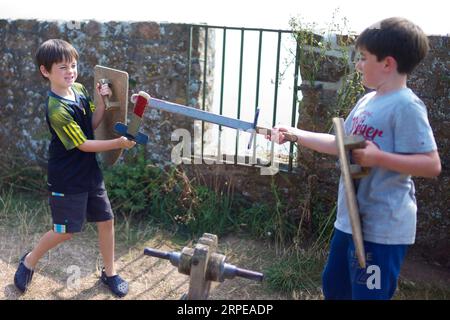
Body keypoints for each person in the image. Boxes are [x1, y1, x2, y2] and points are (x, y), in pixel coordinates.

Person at [268, 17, 441, 299]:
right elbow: (341, 144)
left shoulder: (407, 106)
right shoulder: (367, 102)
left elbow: (431, 164)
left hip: (382, 230)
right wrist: (294, 133)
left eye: (363, 58)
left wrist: (379, 157)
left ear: (387, 63)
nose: (358, 65)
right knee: (335, 289)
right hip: (349, 222)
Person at [14, 39, 136, 298]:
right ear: (45, 71)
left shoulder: (79, 89)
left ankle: (110, 273)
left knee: (106, 220)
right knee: (65, 232)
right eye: (62, 67)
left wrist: (102, 103)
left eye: (73, 65)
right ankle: (29, 261)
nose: (70, 71)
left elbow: (90, 124)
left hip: (89, 172)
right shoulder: (56, 108)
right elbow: (81, 143)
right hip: (66, 177)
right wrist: (118, 143)